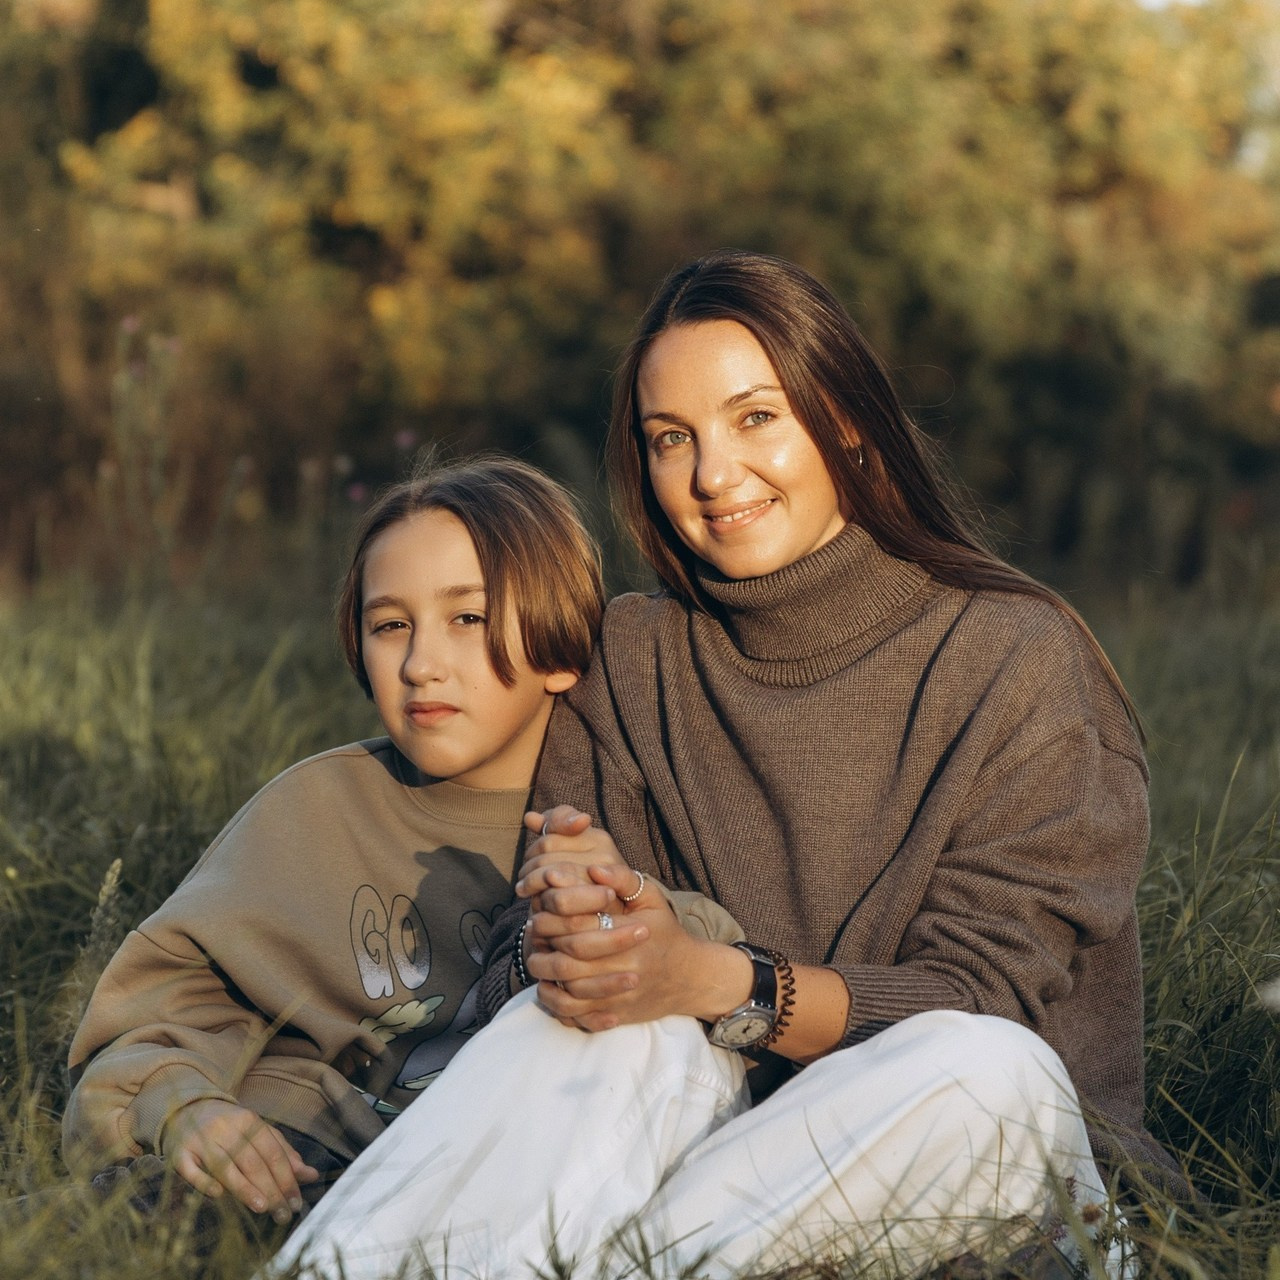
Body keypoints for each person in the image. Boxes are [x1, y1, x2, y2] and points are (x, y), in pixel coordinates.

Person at [267, 251, 1182, 1280]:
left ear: (841, 418)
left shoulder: (1016, 658)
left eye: (754, 418)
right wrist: (575, 928)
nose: (710, 472)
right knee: (606, 1025)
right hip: (725, 1178)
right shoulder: (631, 655)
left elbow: (982, 995)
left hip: (990, 1187)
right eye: (671, 439)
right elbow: (532, 968)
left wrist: (714, 977)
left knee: (989, 1068)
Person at [61, 456, 613, 1231]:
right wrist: (186, 1108)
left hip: (526, 1187)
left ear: (559, 648)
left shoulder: (622, 803)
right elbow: (148, 1028)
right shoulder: (310, 814)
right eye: (391, 626)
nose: (421, 665)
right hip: (293, 1168)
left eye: (467, 618)